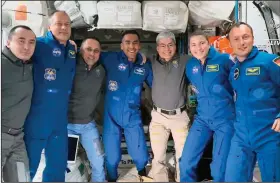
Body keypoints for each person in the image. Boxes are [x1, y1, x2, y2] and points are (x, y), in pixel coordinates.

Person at [24, 11, 76, 182]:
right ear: (49, 26)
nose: (63, 27)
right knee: (29, 165)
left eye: (67, 24)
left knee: (58, 165)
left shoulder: (71, 50)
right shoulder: (38, 45)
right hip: (37, 117)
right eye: (59, 23)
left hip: (60, 119)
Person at [225, 22, 280, 182]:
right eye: (236, 39)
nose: (241, 42)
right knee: (233, 178)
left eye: (245, 37)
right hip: (241, 136)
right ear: (231, 43)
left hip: (268, 133)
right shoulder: (234, 69)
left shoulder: (270, 61)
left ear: (252, 38)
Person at [179, 30, 235, 182]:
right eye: (194, 45)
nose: (198, 48)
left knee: (219, 168)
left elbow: (241, 84)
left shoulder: (225, 60)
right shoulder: (191, 65)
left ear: (209, 44)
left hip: (225, 120)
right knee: (185, 162)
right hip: (202, 119)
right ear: (190, 48)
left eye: (202, 43)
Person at [100, 30, 153, 182]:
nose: (131, 46)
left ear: (139, 45)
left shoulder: (144, 66)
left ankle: (142, 176)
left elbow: (157, 84)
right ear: (121, 45)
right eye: (127, 42)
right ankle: (111, 179)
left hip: (132, 115)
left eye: (135, 42)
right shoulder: (111, 58)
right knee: (111, 157)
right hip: (112, 116)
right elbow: (89, 55)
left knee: (140, 154)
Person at [148, 31, 191, 182]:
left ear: (175, 46)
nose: (167, 49)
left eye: (170, 45)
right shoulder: (151, 61)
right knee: (158, 156)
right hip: (158, 117)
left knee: (182, 155)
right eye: (163, 45)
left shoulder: (186, 60)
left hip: (179, 117)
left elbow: (204, 57)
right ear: (157, 48)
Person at [67, 37, 106, 182]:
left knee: (98, 161)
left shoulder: (101, 71)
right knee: (67, 164)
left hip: (88, 126)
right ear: (80, 50)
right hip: (68, 126)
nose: (92, 54)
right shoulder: (70, 65)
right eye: (88, 49)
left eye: (96, 51)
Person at [1, 25, 36, 182]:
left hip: (18, 138)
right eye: (21, 41)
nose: (27, 46)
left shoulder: (29, 65)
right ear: (8, 43)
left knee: (21, 179)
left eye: (31, 42)